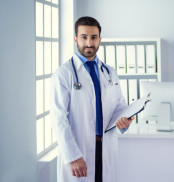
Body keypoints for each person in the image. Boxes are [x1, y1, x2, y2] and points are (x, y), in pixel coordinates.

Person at [50, 16, 134, 182]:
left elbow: (120, 105)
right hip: (79, 149)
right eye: (84, 37)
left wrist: (125, 119)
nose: (89, 42)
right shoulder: (64, 73)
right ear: (76, 39)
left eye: (93, 37)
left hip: (105, 148)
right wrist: (73, 156)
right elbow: (58, 118)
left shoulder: (109, 72)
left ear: (99, 40)